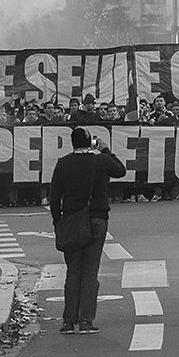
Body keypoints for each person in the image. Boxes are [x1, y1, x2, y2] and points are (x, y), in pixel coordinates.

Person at [49, 127, 127, 335]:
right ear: (89, 142)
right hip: (97, 217)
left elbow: (54, 196)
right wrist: (106, 150)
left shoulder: (63, 163)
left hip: (72, 219)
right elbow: (120, 170)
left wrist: (58, 222)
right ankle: (86, 320)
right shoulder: (100, 161)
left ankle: (68, 320)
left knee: (73, 270)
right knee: (90, 271)